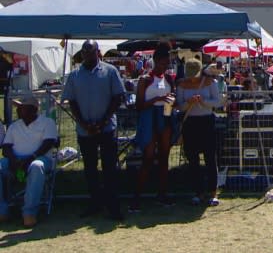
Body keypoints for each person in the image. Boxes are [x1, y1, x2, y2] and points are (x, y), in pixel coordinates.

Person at [61, 40, 125, 221]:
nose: (87, 56)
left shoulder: (110, 71)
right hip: (85, 130)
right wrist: (83, 123)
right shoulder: (74, 75)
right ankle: (95, 203)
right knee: (90, 169)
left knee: (110, 168)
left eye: (91, 52)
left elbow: (117, 97)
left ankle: (113, 206)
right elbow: (71, 101)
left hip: (106, 129)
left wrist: (103, 122)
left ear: (98, 53)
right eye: (84, 53)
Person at [130, 43, 177, 211]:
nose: (165, 66)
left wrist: (170, 102)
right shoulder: (145, 79)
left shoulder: (170, 78)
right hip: (149, 117)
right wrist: (158, 100)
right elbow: (139, 105)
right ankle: (136, 198)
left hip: (164, 116)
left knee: (164, 157)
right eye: (163, 62)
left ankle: (162, 195)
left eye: (167, 63)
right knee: (148, 158)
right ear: (155, 60)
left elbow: (172, 100)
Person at [0, 95, 58, 227]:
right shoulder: (14, 126)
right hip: (16, 160)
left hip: (39, 159)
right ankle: (2, 210)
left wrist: (30, 158)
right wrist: (14, 160)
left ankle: (29, 213)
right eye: (19, 108)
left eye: (22, 108)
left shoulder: (47, 122)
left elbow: (49, 143)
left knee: (36, 167)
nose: (18, 110)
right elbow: (6, 148)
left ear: (33, 109)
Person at [177, 59, 221, 206]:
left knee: (210, 158)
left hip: (207, 121)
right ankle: (198, 192)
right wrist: (189, 102)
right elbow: (180, 106)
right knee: (193, 159)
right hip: (190, 123)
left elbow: (218, 102)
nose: (192, 78)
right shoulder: (182, 85)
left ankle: (213, 192)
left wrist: (204, 101)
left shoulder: (211, 82)